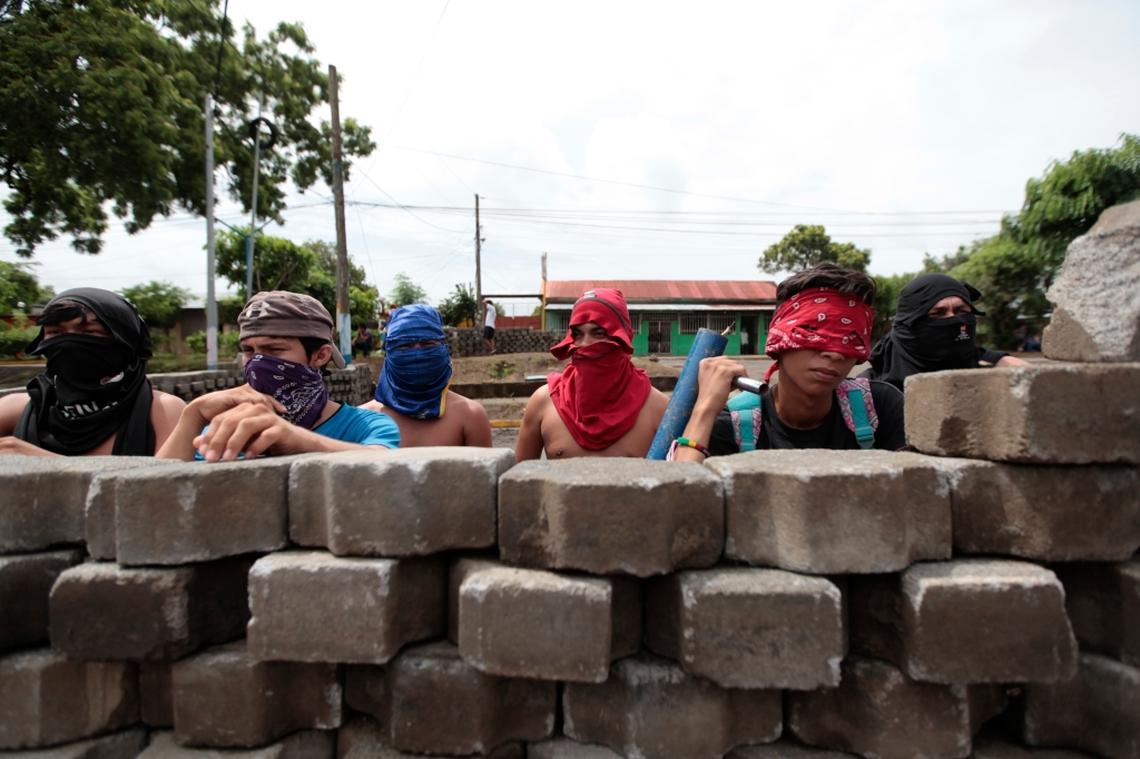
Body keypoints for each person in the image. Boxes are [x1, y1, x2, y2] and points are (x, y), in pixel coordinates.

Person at [672, 263, 905, 461]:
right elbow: (681, 496)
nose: (835, 353)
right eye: (811, 331)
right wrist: (704, 408)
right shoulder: (733, 423)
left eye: (850, 337)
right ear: (778, 339)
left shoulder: (878, 407)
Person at [157, 291, 400, 461]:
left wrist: (295, 439)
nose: (257, 362)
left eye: (274, 350)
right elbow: (152, 497)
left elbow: (385, 463)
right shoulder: (225, 429)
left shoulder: (366, 426)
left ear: (320, 355)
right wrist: (193, 415)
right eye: (248, 351)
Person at [0, 288, 185, 457]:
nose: (69, 342)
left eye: (90, 332)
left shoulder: (161, 411)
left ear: (126, 342)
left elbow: (164, 489)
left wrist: (40, 459)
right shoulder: (18, 409)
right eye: (56, 333)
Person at [516, 288, 669, 460]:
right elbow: (518, 481)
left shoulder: (658, 408)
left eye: (599, 333)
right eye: (577, 334)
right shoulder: (543, 402)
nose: (585, 344)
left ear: (622, 337)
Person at [864, 272, 1028, 391]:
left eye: (961, 311)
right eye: (938, 313)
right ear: (909, 324)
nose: (953, 320)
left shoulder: (1001, 370)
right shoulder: (868, 391)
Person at [361, 304, 492, 447]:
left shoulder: (470, 416)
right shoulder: (362, 420)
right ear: (389, 353)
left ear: (444, 349)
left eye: (427, 344)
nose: (417, 353)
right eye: (405, 345)